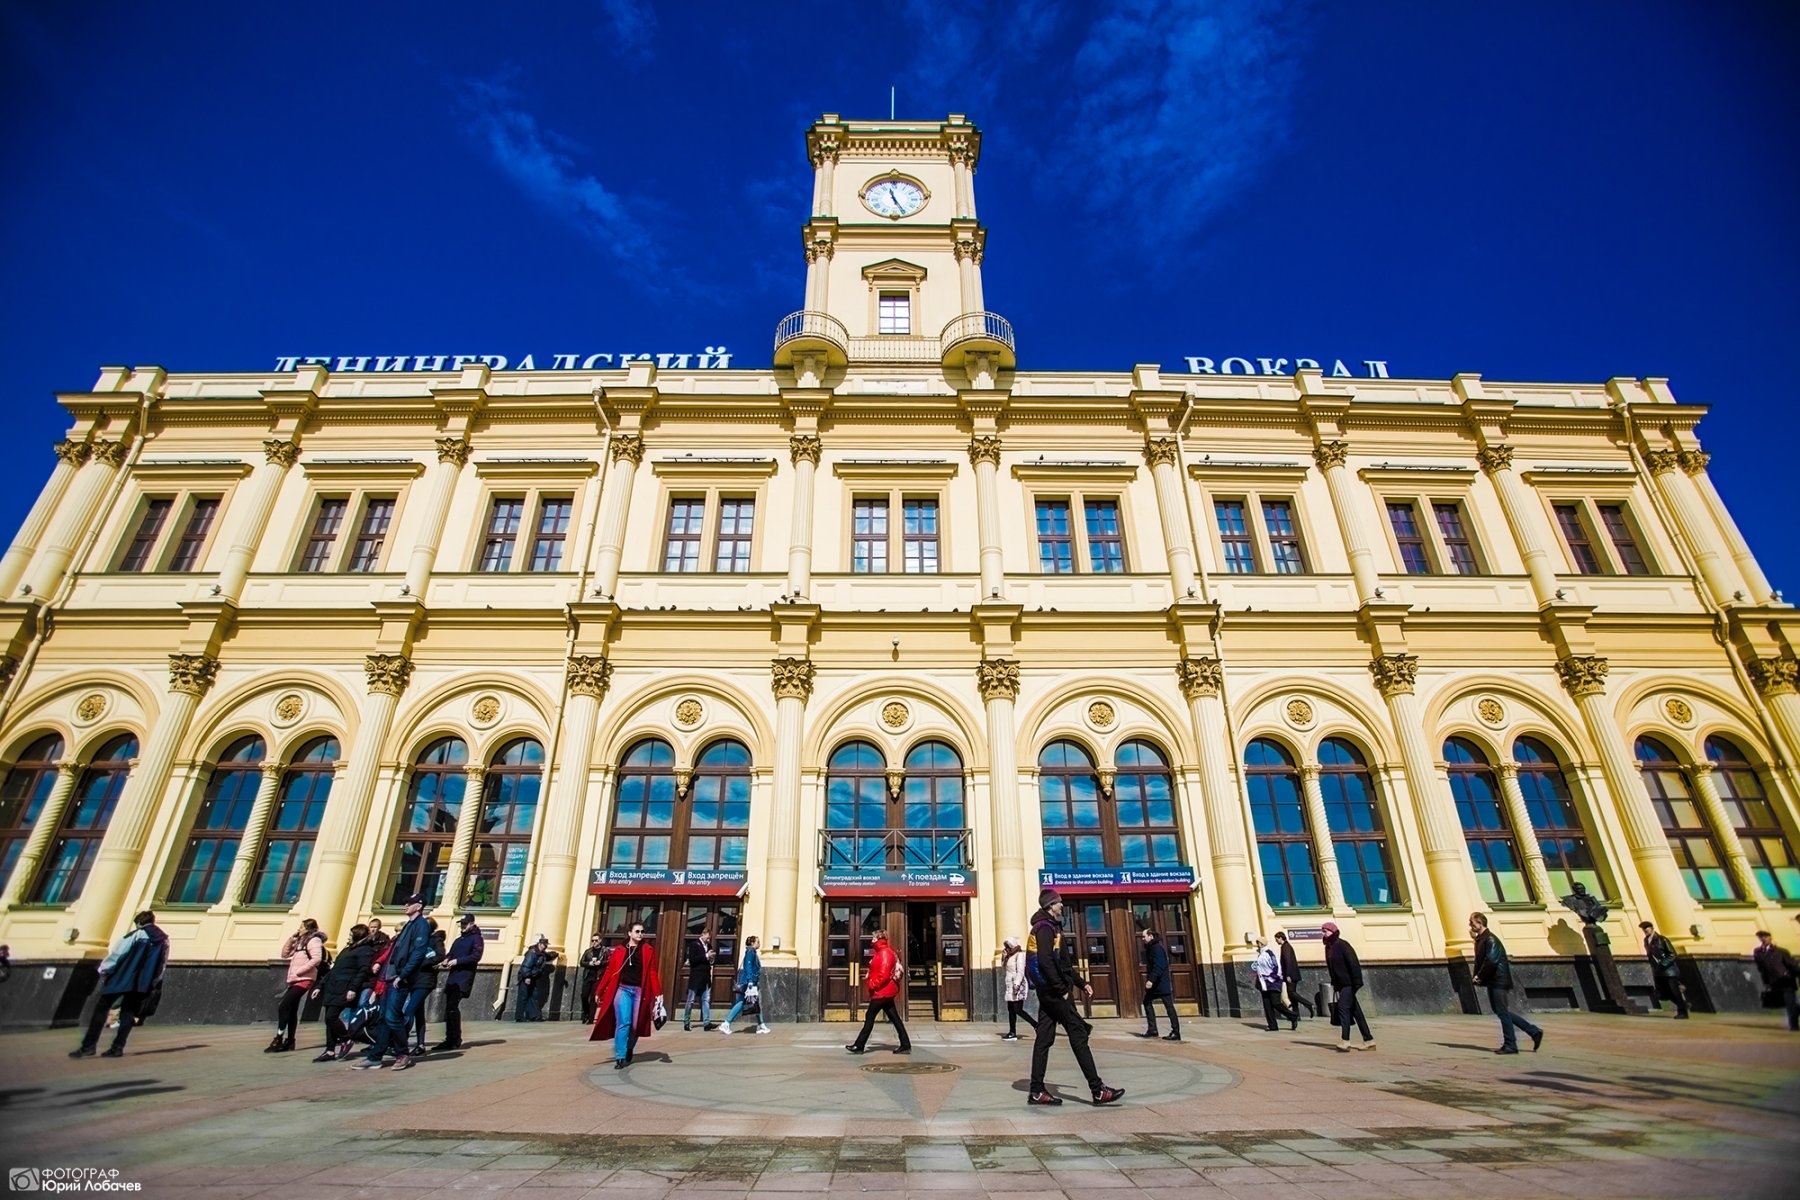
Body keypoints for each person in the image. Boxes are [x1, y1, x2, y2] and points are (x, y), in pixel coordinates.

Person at [1025, 888, 1124, 1106]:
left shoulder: (1052, 927)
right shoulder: (1044, 928)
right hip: (1054, 992)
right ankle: (1098, 1090)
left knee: (1044, 1038)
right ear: (1051, 906)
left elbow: (1062, 964)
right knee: (1078, 1033)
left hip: (1050, 991)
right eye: (1059, 903)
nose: (1062, 905)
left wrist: (1082, 983)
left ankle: (1036, 1091)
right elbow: (1045, 961)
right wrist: (1061, 989)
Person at [70, 911, 169, 1059]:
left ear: (139, 922)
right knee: (128, 1014)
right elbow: (162, 964)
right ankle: (117, 1048)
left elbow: (118, 953)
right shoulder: (164, 940)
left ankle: (88, 1046)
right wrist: (154, 981)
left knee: (102, 1008)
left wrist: (103, 969)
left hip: (122, 977)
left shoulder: (136, 935)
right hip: (142, 983)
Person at [353, 893, 431, 1071]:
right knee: (383, 1019)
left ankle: (403, 1054)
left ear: (419, 906)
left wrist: (403, 975)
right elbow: (394, 953)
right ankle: (375, 1057)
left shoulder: (421, 926)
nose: (405, 906)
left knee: (393, 1018)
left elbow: (418, 953)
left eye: (409, 903)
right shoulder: (408, 926)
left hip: (400, 980)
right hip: (390, 978)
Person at [1470, 912, 1543, 1054]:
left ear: (1480, 923)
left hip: (1498, 980)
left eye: (1472, 922)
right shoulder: (1483, 939)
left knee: (1502, 1012)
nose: (1470, 925)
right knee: (1500, 1011)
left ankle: (1511, 1045)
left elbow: (1491, 960)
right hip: (1494, 980)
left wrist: (1479, 976)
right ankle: (1534, 1032)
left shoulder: (1490, 939)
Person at [590, 921, 659, 1068]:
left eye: (642, 932)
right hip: (623, 989)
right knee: (624, 1022)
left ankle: (629, 1047)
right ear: (630, 933)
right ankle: (620, 1056)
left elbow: (652, 972)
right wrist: (599, 990)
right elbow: (610, 971)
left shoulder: (648, 950)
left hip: (639, 990)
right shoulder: (620, 950)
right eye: (637, 931)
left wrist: (658, 993)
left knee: (635, 1025)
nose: (640, 934)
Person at [313, 923, 377, 1061]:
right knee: (328, 1020)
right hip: (333, 986)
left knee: (331, 1017)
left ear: (357, 935)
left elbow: (363, 970)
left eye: (351, 934)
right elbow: (334, 969)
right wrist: (320, 985)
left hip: (345, 987)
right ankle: (329, 1050)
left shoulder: (365, 950)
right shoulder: (346, 950)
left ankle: (346, 1039)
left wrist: (353, 988)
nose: (348, 936)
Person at [845, 928, 911, 1055]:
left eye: (874, 938)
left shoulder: (884, 953)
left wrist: (872, 985)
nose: (872, 940)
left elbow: (884, 974)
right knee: (895, 1018)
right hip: (885, 992)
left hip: (881, 992)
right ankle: (905, 1044)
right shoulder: (882, 952)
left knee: (869, 1017)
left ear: (880, 939)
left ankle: (859, 1045)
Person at [270, 919, 327, 1053]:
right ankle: (290, 1041)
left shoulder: (314, 941)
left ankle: (279, 1037)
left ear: (308, 928)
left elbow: (317, 958)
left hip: (304, 979)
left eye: (301, 927)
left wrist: (301, 970)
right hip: (295, 979)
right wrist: (292, 939)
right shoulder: (301, 941)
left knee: (284, 1006)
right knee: (291, 1010)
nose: (299, 929)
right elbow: (285, 954)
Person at [1322, 921, 1374, 1052]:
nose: (1323, 933)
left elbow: (1353, 963)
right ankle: (1369, 1040)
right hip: (1340, 984)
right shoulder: (1329, 947)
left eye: (1325, 931)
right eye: (1322, 931)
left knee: (1343, 1007)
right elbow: (1332, 967)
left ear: (1333, 932)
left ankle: (1345, 1041)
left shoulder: (1342, 945)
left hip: (1349, 983)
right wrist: (1335, 982)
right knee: (1356, 1011)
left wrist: (1356, 982)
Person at [436, 914, 484, 1051]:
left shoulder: (477, 939)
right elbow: (451, 953)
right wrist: (447, 959)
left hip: (463, 977)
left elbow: (476, 956)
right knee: (448, 1008)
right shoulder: (458, 940)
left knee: (452, 1006)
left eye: (465, 923)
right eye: (461, 923)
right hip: (453, 977)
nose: (463, 926)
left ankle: (455, 1038)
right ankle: (449, 1038)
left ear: (472, 924)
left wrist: (457, 961)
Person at [719, 934, 770, 1035]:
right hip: (748, 982)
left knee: (754, 1003)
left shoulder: (752, 952)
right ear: (752, 943)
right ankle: (726, 1023)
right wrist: (750, 980)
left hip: (750, 981)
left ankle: (761, 1025)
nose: (759, 944)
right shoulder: (750, 952)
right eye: (757, 942)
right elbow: (748, 966)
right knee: (742, 1003)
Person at [409, 919, 447, 1055]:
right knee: (418, 1012)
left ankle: (397, 1043)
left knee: (409, 1011)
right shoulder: (418, 940)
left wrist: (424, 963)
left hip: (425, 980)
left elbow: (440, 956)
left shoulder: (435, 940)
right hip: (413, 979)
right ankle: (420, 1044)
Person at [1135, 927, 1180, 1041]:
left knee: (1169, 1007)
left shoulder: (1156, 948)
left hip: (1160, 983)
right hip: (1156, 984)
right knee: (1147, 1002)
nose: (1142, 939)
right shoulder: (1151, 948)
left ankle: (1176, 1032)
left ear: (1151, 936)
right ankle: (1152, 1029)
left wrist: (1151, 980)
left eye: (1144, 936)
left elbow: (1159, 965)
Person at [1641, 920, 1689, 1018]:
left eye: (1647, 927)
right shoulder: (1646, 940)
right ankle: (1683, 1005)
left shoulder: (1662, 939)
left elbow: (1672, 954)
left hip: (1668, 971)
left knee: (1674, 991)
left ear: (1652, 928)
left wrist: (1663, 964)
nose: (1645, 930)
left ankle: (1683, 1012)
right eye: (1644, 928)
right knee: (1663, 993)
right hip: (1657, 971)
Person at [1752, 930, 1799, 1031]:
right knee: (1788, 1005)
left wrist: (1796, 974)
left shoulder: (1781, 951)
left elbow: (1792, 965)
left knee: (1790, 1005)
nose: (1763, 939)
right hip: (1774, 982)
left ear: (1770, 937)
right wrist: (1765, 982)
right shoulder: (1758, 952)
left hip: (1786, 981)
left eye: (1765, 936)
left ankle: (1794, 1026)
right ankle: (1794, 1020)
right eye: (1761, 937)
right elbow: (1761, 969)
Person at [1251, 936, 1297, 1032]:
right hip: (1264, 983)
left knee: (1275, 1003)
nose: (1257, 944)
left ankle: (1293, 1016)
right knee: (1267, 1005)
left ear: (1261, 943)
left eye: (1258, 942)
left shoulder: (1269, 954)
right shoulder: (1261, 954)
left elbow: (1275, 967)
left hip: (1273, 982)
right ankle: (1273, 1025)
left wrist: (1271, 979)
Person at [1275, 930, 1315, 1018]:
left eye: (1277, 939)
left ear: (1281, 938)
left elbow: (1288, 961)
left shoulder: (1286, 947)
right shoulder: (1286, 946)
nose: (1276, 941)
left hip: (1291, 975)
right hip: (1292, 974)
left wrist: (1288, 975)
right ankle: (1296, 1015)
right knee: (1292, 995)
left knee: (1292, 993)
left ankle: (1309, 1005)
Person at [683, 929, 717, 1031]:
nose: (708, 940)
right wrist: (706, 956)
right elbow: (693, 960)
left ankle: (706, 1023)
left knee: (706, 1000)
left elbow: (709, 961)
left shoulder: (709, 946)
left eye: (709, 938)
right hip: (696, 976)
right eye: (707, 937)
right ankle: (686, 1022)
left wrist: (711, 959)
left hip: (706, 977)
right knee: (691, 1000)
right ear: (702, 934)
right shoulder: (694, 945)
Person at [516, 935, 552, 1022]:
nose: (546, 946)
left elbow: (549, 956)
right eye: (544, 945)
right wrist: (527, 977)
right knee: (523, 997)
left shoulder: (541, 953)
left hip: (533, 977)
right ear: (540, 944)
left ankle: (535, 1016)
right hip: (527, 977)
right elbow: (526, 966)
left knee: (533, 996)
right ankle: (519, 1017)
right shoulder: (532, 953)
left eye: (546, 945)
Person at [1000, 936, 1029, 1041]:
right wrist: (1003, 958)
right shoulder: (1009, 956)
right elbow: (1004, 969)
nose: (1007, 948)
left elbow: (1020, 971)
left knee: (1018, 1009)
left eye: (1008, 946)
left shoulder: (1020, 955)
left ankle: (1036, 1025)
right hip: (1009, 985)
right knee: (1011, 1009)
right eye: (1006, 947)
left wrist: (1017, 984)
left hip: (1017, 985)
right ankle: (1012, 1032)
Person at [578, 934, 607, 1025]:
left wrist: (600, 962)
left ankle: (590, 1018)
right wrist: (589, 963)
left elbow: (609, 961)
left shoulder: (604, 951)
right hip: (588, 976)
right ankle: (586, 1013)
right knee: (584, 996)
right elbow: (582, 962)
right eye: (592, 940)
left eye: (596, 940)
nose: (594, 942)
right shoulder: (588, 951)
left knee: (594, 998)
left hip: (598, 976)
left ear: (600, 940)